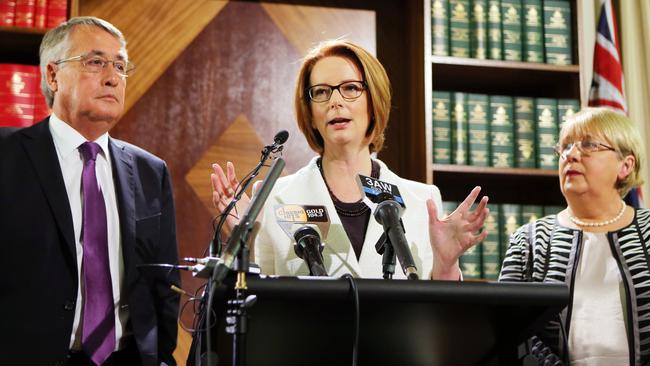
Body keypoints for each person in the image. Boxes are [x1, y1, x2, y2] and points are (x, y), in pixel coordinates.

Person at [211, 40, 488, 280]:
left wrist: (447, 262)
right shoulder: (273, 198)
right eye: (321, 92)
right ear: (310, 113)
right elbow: (258, 305)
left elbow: (435, 315)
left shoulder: (421, 200)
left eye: (350, 88)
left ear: (374, 101)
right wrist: (243, 240)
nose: (335, 101)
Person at [0, 17, 179, 365]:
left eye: (121, 66)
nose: (112, 77)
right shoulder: (6, 157)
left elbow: (164, 284)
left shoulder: (150, 171)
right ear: (53, 75)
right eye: (95, 62)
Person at [499, 107, 647, 365]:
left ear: (625, 165)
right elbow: (508, 330)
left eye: (589, 145)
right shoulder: (530, 240)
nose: (571, 155)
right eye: (565, 147)